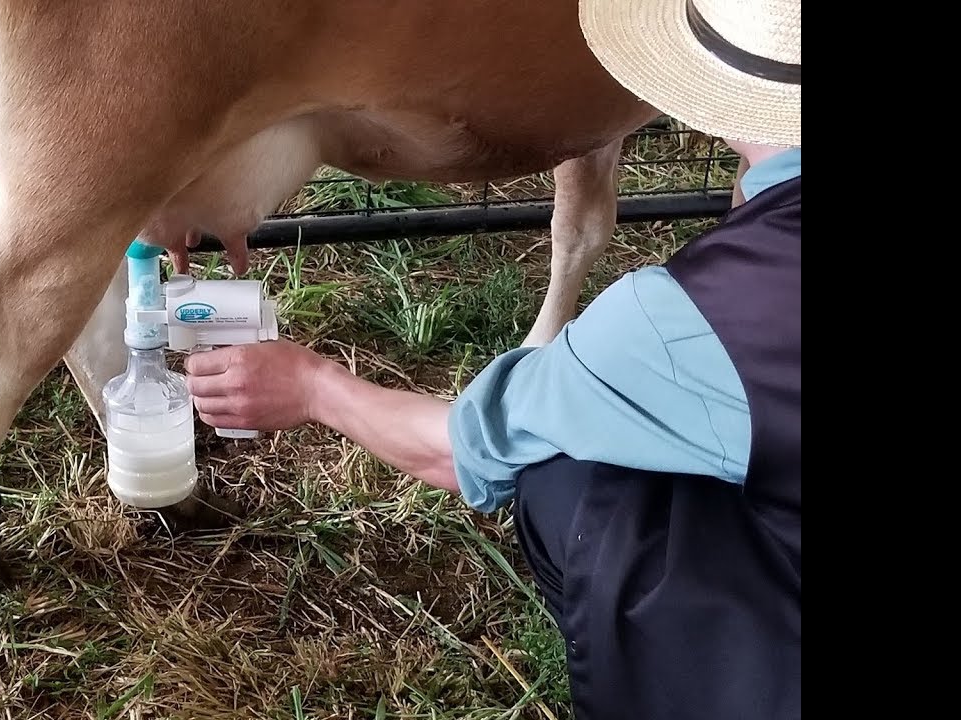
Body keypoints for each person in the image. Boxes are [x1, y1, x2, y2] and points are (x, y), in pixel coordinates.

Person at [184, 0, 799, 717]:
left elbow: (465, 449)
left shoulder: (688, 322)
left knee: (561, 475)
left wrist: (313, 385)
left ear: (714, 88)